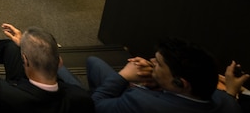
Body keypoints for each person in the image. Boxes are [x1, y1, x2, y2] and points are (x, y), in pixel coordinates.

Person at [0, 16, 94, 113]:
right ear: (60, 62)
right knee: (12, 47)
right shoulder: (81, 98)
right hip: (29, 87)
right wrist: (23, 44)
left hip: (11, 101)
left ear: (26, 61)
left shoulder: (5, 94)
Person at [87, 38, 242, 113]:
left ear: (180, 83)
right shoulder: (227, 103)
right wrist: (231, 89)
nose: (152, 62)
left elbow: (92, 106)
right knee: (94, 62)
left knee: (87, 64)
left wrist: (124, 76)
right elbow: (228, 101)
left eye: (159, 64)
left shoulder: (140, 102)